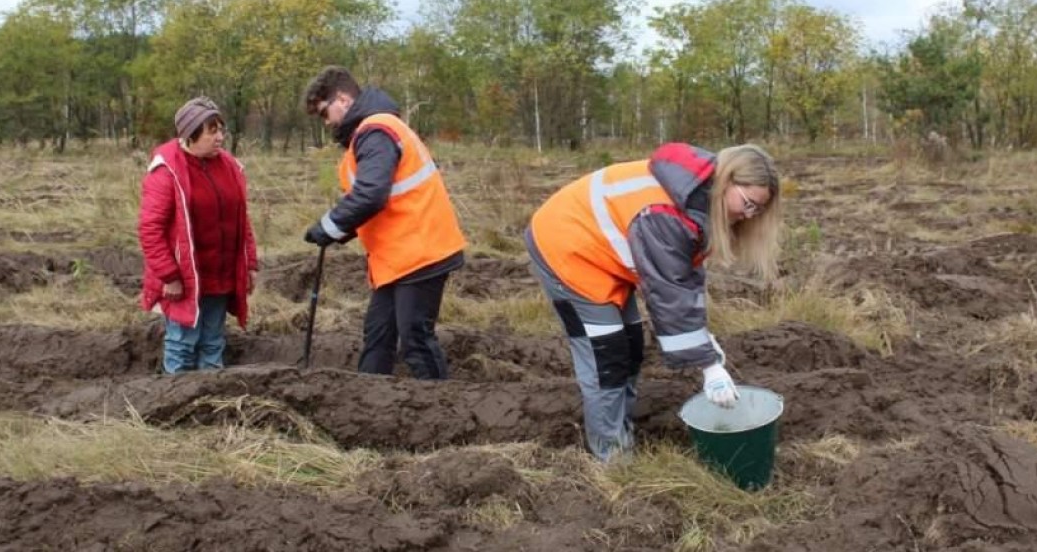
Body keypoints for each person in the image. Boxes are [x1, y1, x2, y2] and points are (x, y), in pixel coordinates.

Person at [526, 143, 782, 461]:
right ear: (727, 180)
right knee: (606, 356)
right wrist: (710, 366)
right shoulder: (667, 212)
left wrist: (703, 342)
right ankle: (612, 458)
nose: (748, 215)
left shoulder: (697, 198)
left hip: (604, 255)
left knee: (631, 346)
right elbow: (669, 292)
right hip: (567, 249)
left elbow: (682, 283)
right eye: (747, 203)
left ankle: (621, 431)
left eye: (757, 210)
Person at [302, 66, 465, 380]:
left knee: (415, 340)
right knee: (378, 337)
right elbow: (375, 200)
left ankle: (442, 411)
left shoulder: (376, 130)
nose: (327, 123)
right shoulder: (369, 135)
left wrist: (329, 226)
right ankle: (368, 404)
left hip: (421, 252)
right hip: (397, 259)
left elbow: (371, 194)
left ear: (344, 99)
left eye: (326, 113)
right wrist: (334, 231)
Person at [138, 97, 258, 373]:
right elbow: (150, 229)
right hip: (184, 277)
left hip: (220, 273)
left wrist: (249, 263)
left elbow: (243, 220)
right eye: (212, 131)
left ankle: (209, 401)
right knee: (182, 341)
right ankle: (176, 401)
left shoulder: (229, 167)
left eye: (221, 130)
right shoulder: (166, 171)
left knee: (213, 340)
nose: (220, 137)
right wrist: (169, 275)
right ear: (190, 135)